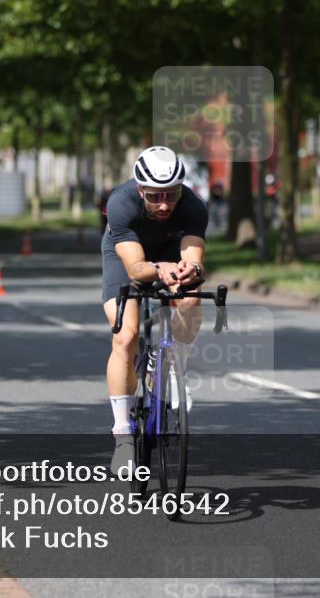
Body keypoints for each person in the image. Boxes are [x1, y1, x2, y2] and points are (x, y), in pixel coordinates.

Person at [101, 146, 208, 472]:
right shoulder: (121, 204)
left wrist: (191, 272)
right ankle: (122, 437)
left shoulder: (193, 207)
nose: (164, 204)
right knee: (127, 335)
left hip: (169, 251)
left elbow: (194, 261)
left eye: (171, 194)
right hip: (127, 255)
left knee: (190, 298)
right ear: (139, 189)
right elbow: (135, 269)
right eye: (154, 196)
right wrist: (159, 268)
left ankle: (174, 369)